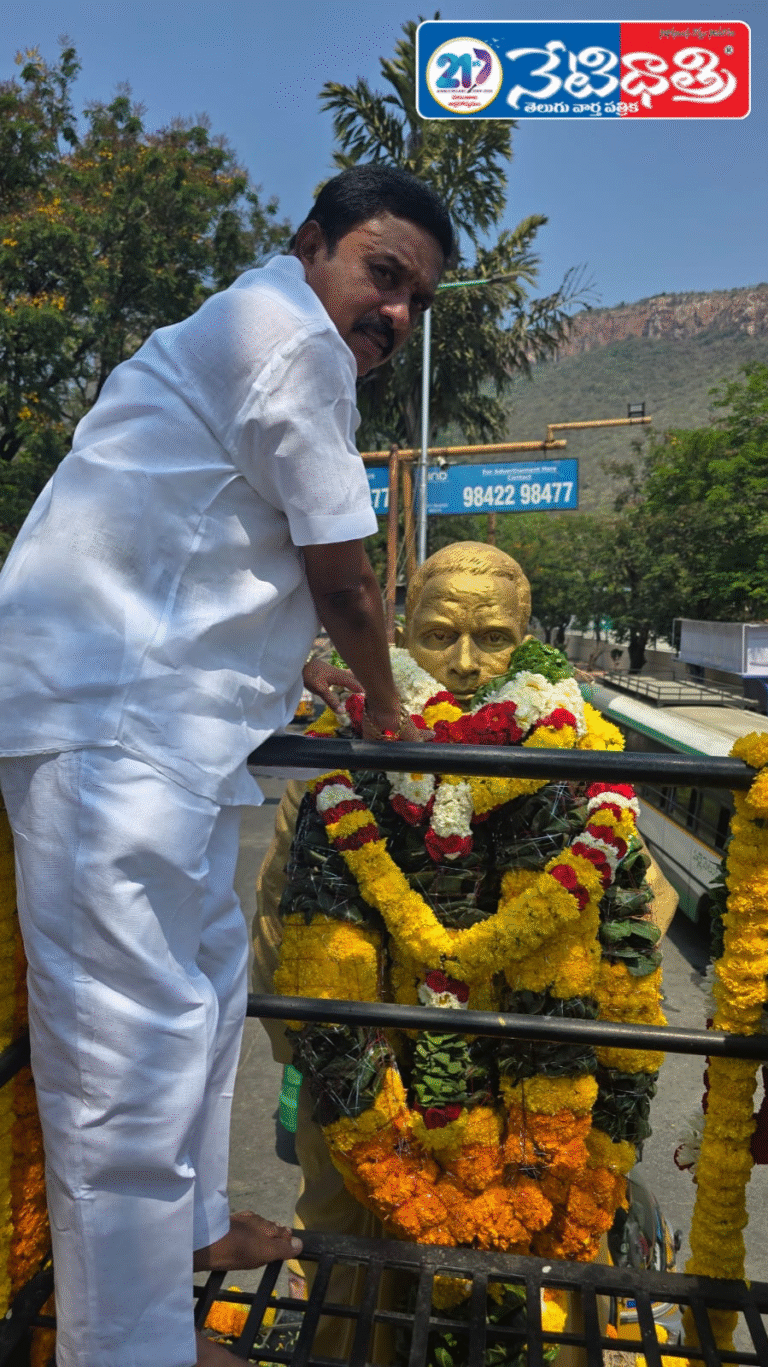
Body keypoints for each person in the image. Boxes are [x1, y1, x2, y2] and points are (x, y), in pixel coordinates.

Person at [0, 164, 453, 1367]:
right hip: (114, 730)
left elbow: (212, 548)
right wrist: (386, 705)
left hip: (168, 731)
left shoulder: (245, 328)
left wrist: (291, 672)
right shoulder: (286, 336)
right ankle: (132, 1346)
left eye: (415, 299)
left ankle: (192, 1230)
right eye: (383, 274)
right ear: (314, 246)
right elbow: (343, 574)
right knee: (126, 1055)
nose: (395, 313)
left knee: (204, 1000)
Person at [253, 542, 678, 1361]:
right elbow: (285, 943)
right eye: (439, 634)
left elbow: (635, 934)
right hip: (375, 1081)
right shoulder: (334, 763)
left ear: (527, 639)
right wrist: (359, 1076)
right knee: (354, 1281)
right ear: (402, 633)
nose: (466, 663)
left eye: (493, 638)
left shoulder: (579, 762)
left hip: (532, 1092)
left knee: (548, 1279)